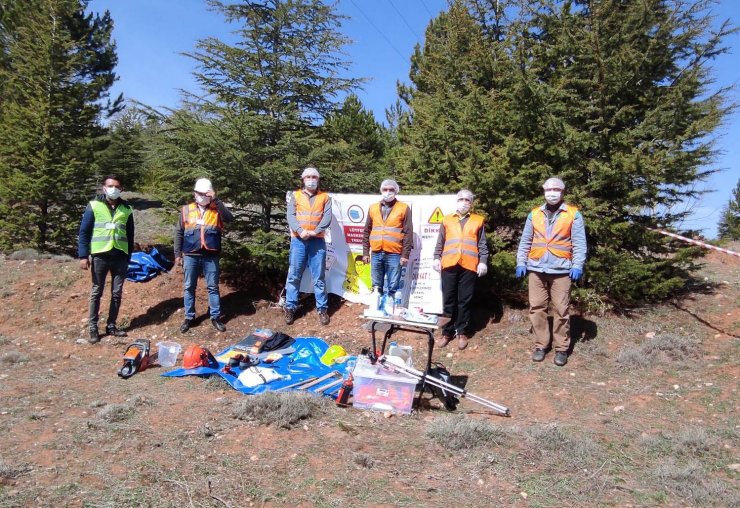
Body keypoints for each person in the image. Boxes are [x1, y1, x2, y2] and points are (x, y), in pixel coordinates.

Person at [515, 177, 587, 366]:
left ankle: (561, 348)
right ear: (543, 192)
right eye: (548, 189)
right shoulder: (534, 214)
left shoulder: (573, 214)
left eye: (556, 189)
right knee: (536, 307)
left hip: (562, 269)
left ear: (563, 192)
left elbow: (579, 243)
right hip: (536, 267)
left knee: (561, 309)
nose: (552, 192)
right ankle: (541, 344)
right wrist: (521, 261)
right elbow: (526, 241)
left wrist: (577, 265)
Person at [78, 175, 135, 344]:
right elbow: (84, 232)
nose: (113, 189)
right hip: (100, 255)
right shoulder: (94, 205)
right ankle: (93, 328)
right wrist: (83, 255)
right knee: (97, 291)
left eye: (117, 186)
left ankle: (111, 325)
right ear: (104, 188)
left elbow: (130, 234)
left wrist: (128, 255)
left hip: (120, 256)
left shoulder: (127, 208)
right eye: (110, 186)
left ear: (121, 189)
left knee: (116, 293)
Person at [174, 178, 233, 333]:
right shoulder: (186, 210)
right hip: (190, 254)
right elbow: (179, 232)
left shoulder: (217, 209)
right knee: (189, 287)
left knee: (212, 287)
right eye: (199, 193)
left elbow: (229, 219)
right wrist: (177, 254)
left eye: (205, 194)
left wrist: (216, 200)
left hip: (211, 255)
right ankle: (189, 317)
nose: (202, 196)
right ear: (194, 194)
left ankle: (215, 316)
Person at [432, 189, 489, 350]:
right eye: (461, 199)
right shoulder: (447, 219)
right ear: (456, 201)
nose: (464, 202)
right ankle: (447, 332)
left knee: (464, 300)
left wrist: (483, 261)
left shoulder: (478, 220)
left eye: (467, 200)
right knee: (448, 299)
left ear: (471, 203)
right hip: (449, 264)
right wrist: (437, 257)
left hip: (469, 265)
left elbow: (482, 244)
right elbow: (440, 242)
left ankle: (462, 332)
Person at [284, 167, 332, 326]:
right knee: (294, 276)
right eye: (308, 177)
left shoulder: (325, 197)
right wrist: (300, 230)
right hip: (298, 241)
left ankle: (322, 309)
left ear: (318, 180)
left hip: (317, 241)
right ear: (303, 179)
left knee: (319, 277)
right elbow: (290, 216)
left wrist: (315, 232)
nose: (311, 179)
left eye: (314, 177)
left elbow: (327, 217)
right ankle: (290, 308)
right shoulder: (295, 196)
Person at [362, 179, 413, 304]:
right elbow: (366, 231)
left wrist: (405, 255)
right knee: (376, 286)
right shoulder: (373, 208)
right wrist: (365, 252)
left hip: (394, 254)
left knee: (393, 286)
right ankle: (376, 310)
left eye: (391, 190)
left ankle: (390, 310)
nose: (388, 192)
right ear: (381, 191)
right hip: (376, 253)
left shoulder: (403, 208)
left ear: (396, 191)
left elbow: (408, 233)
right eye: (385, 189)